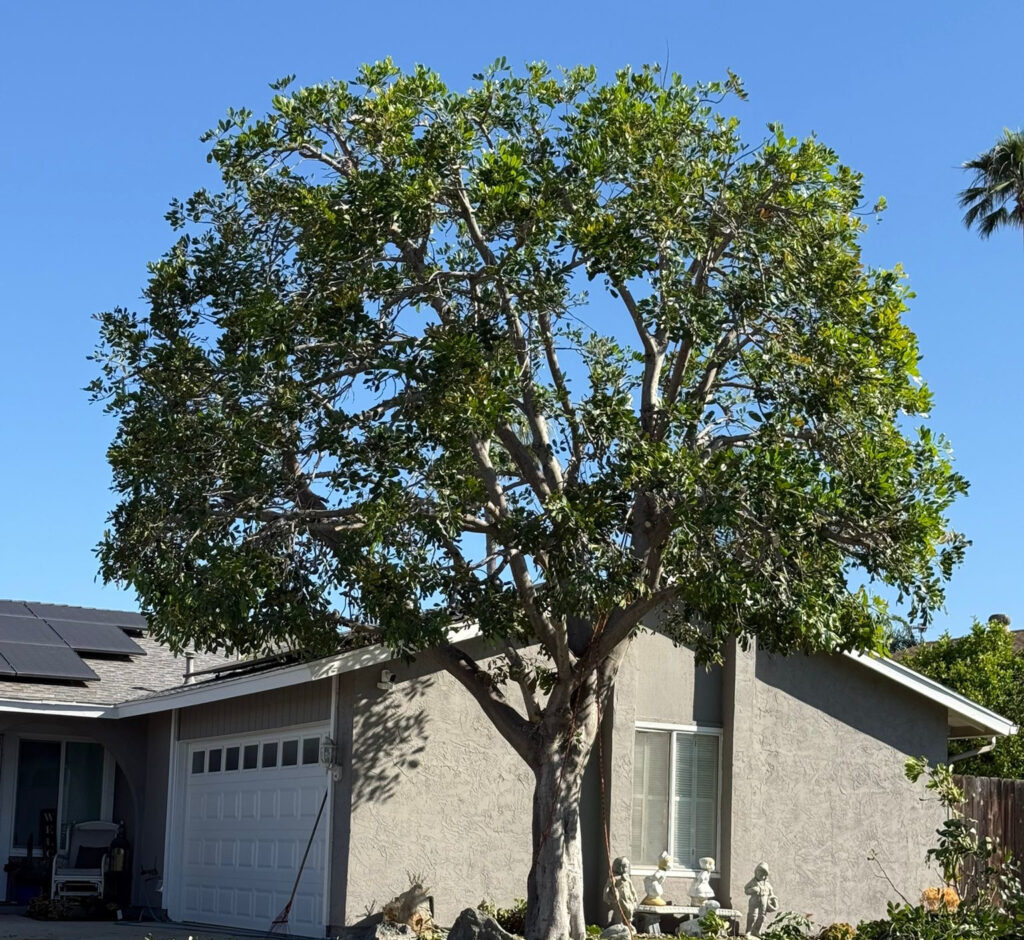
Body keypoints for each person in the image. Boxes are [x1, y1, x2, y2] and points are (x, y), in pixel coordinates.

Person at [744, 862, 778, 935]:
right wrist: (752, 890)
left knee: (762, 917)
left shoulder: (767, 884)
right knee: (753, 916)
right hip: (754, 902)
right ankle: (748, 931)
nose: (760, 875)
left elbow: (772, 895)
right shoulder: (752, 882)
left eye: (763, 873)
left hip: (764, 903)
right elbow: (746, 890)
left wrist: (774, 902)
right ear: (755, 872)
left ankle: (757, 931)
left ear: (765, 875)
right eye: (758, 872)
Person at [605, 856, 639, 926]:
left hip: (628, 899)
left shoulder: (626, 877)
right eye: (625, 867)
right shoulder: (615, 878)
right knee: (620, 913)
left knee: (629, 911)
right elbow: (607, 888)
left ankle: (628, 924)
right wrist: (608, 888)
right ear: (619, 867)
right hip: (621, 900)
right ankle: (618, 925)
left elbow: (631, 888)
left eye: (627, 867)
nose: (627, 869)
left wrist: (635, 896)